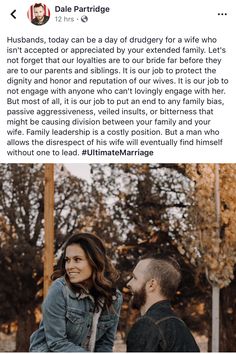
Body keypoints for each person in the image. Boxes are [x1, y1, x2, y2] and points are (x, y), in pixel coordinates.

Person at [29, 232, 122, 352]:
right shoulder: (60, 290)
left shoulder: (114, 298)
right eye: (67, 260)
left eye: (77, 259)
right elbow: (57, 343)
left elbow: (105, 344)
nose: (69, 266)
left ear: (95, 261)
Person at [126, 256, 200, 352]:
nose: (128, 283)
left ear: (151, 285)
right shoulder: (179, 325)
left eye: (134, 278)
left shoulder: (147, 326)